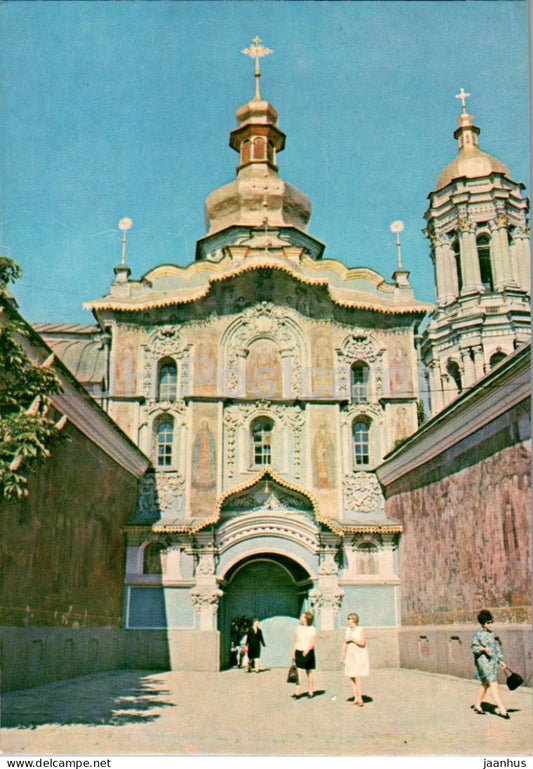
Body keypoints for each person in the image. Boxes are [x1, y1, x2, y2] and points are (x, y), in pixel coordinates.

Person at [471, 609, 509, 718]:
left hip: (491, 663)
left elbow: (496, 649)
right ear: (483, 623)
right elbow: (474, 647)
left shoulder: (491, 634)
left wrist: (500, 661)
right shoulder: (477, 635)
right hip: (483, 663)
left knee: (485, 684)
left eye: (491, 622)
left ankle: (478, 705)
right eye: (488, 622)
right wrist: (483, 649)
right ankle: (502, 709)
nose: (491, 624)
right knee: (493, 684)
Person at [340, 612, 369, 706]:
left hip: (359, 654)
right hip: (350, 654)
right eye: (347, 619)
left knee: (357, 676)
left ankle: (360, 698)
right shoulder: (348, 630)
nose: (348, 621)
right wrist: (342, 656)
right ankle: (356, 697)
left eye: (349, 619)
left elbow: (362, 642)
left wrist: (352, 639)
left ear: (354, 620)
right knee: (351, 675)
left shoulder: (361, 630)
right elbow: (345, 643)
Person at [291, 610, 317, 698]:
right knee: (298, 672)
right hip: (299, 651)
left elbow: (312, 642)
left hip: (308, 652)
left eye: (302, 616)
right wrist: (293, 652)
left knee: (309, 671)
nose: (300, 618)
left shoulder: (312, 629)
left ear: (306, 619)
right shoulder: (299, 628)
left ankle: (311, 691)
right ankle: (298, 691)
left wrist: (306, 651)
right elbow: (296, 640)